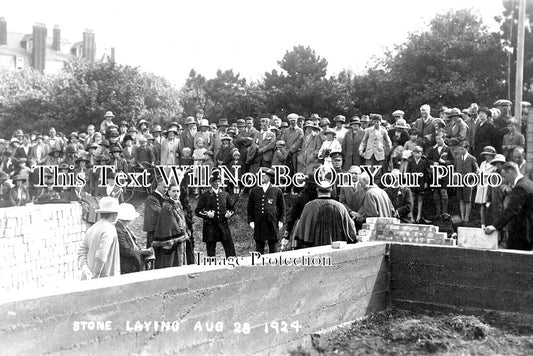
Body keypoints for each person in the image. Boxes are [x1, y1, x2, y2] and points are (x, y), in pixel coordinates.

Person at [485, 162, 533, 251]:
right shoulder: (528, 182)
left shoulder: (520, 187)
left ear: (510, 172)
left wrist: (495, 226)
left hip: (521, 233)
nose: (505, 179)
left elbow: (512, 209)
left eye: (505, 176)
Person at [292, 185, 357, 248]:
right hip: (336, 249)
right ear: (331, 190)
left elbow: (301, 230)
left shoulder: (309, 206)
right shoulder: (340, 207)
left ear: (317, 190)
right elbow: (351, 230)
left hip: (314, 250)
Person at [77, 197, 121, 279]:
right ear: (115, 214)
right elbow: (101, 256)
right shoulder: (109, 229)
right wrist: (95, 276)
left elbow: (82, 251)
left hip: (88, 278)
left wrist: (85, 268)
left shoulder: (92, 228)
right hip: (104, 279)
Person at [195, 171, 237, 257]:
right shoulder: (204, 195)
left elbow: (232, 209)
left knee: (230, 250)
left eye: (218, 181)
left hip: (223, 226)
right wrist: (207, 214)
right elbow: (197, 211)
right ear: (211, 183)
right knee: (211, 253)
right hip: (210, 227)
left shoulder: (225, 194)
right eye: (215, 181)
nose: (217, 183)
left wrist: (229, 214)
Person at [247, 168, 286, 254]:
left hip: (272, 222)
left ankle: (273, 264)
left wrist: (281, 220)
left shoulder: (277, 191)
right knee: (259, 245)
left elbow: (282, 208)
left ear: (269, 177)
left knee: (273, 246)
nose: (261, 178)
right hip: (259, 222)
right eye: (260, 176)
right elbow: (250, 208)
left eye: (263, 176)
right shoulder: (254, 191)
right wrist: (251, 221)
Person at [153, 182, 189, 268]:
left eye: (178, 191)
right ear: (168, 192)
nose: (176, 193)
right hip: (174, 240)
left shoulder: (178, 204)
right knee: (174, 262)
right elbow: (171, 225)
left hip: (181, 239)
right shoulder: (167, 206)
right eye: (173, 191)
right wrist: (183, 235)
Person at [116, 203, 154, 274]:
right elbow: (126, 250)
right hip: (127, 266)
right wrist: (143, 252)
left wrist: (142, 250)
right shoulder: (119, 230)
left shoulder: (124, 228)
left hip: (131, 263)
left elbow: (133, 245)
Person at [426, 133, 454, 217]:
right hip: (435, 173)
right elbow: (428, 159)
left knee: (444, 191)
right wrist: (433, 163)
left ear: (443, 139)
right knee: (435, 192)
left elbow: (453, 161)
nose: (438, 141)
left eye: (439, 139)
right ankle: (438, 213)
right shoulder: (433, 149)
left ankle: (444, 212)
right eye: (436, 139)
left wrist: (445, 162)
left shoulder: (448, 149)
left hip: (444, 173)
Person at [454, 142, 478, 223]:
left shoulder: (472, 158)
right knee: (460, 199)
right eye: (459, 149)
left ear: (467, 149)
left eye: (462, 149)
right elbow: (454, 169)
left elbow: (476, 171)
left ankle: (466, 218)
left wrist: (472, 182)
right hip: (459, 182)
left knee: (467, 200)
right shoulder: (457, 158)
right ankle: (462, 216)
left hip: (468, 182)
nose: (460, 151)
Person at [406, 146, 430, 223]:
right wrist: (408, 182)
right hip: (412, 182)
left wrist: (426, 182)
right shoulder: (410, 162)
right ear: (413, 154)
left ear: (421, 154)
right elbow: (408, 173)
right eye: (415, 153)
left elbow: (426, 173)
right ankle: (411, 215)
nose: (417, 154)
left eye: (419, 153)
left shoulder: (424, 162)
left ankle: (419, 216)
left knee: (420, 199)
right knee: (412, 199)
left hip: (421, 182)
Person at [474, 146, 497, 227]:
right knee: (482, 205)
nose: (486, 156)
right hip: (481, 186)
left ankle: (491, 223)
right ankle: (483, 223)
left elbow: (494, 175)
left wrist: (483, 175)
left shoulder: (495, 164)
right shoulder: (483, 163)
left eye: (488, 154)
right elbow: (480, 173)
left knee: (489, 205)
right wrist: (478, 173)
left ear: (492, 155)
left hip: (489, 186)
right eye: (485, 154)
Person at [143, 177, 167, 248]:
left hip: (162, 227)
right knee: (153, 251)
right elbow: (159, 212)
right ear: (158, 185)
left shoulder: (164, 197)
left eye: (167, 187)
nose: (166, 189)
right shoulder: (151, 198)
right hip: (154, 230)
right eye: (164, 187)